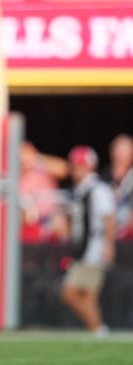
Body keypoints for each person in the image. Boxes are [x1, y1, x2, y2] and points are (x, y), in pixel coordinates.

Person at [60, 145, 116, 337]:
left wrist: (108, 245)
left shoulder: (97, 189)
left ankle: (98, 329)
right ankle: (96, 331)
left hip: (92, 248)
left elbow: (109, 217)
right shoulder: (80, 191)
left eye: (79, 166)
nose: (75, 170)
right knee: (88, 295)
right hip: (84, 247)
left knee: (71, 292)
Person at [101, 133, 133, 239]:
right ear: (112, 152)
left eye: (128, 150)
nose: (124, 154)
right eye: (121, 150)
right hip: (106, 224)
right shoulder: (104, 176)